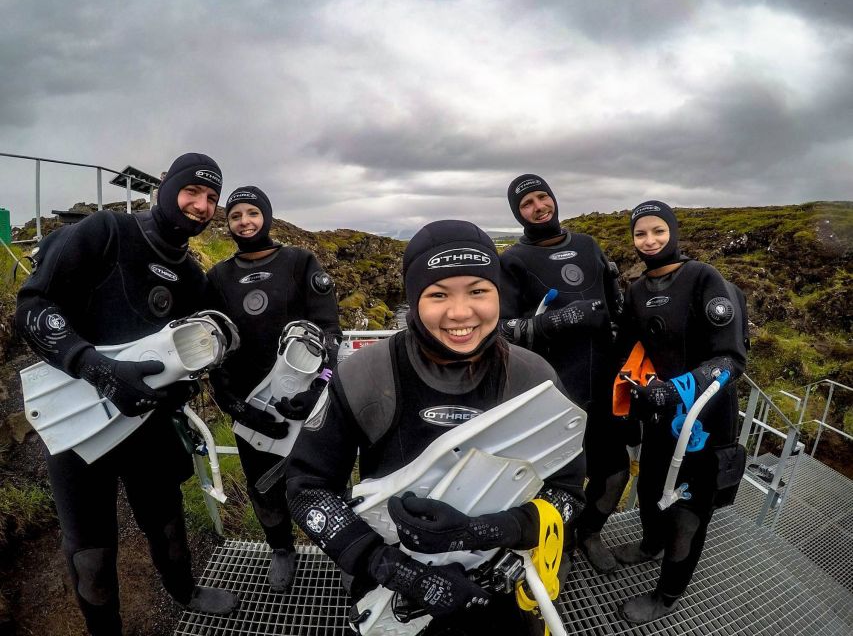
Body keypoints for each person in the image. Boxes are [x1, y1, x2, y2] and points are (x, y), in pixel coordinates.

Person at [285, 220, 585, 635]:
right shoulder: (367, 376)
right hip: (394, 591)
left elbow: (568, 494)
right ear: (413, 300)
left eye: (479, 291)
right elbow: (307, 489)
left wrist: (485, 531)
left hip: (501, 578)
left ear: (498, 294)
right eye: (438, 294)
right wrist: (391, 568)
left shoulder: (532, 377)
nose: (461, 313)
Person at [15, 153, 239, 635]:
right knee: (91, 548)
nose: (201, 206)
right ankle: (104, 629)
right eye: (192, 192)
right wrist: (95, 368)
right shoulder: (105, 232)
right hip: (80, 416)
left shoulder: (192, 277)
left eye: (211, 199)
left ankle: (185, 590)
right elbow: (34, 306)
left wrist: (189, 385)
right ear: (166, 187)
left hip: (148, 423)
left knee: (166, 519)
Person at [615, 200, 747, 623]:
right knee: (653, 487)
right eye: (640, 233)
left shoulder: (703, 278)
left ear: (673, 232)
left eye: (658, 230)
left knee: (689, 512)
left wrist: (678, 389)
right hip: (658, 415)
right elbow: (630, 349)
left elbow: (731, 361)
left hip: (706, 421)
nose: (649, 241)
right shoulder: (636, 291)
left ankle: (667, 595)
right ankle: (649, 545)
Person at [205, 185, 341, 592]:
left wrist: (320, 387)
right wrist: (232, 404)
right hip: (253, 406)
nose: (244, 222)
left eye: (252, 213)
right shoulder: (218, 277)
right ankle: (281, 549)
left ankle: (342, 548)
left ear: (266, 215)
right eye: (235, 215)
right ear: (227, 223)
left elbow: (330, 330)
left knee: (327, 477)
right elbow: (211, 345)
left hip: (308, 398)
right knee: (263, 483)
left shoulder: (300, 262)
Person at [499, 174, 629, 574]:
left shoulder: (588, 246)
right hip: (552, 390)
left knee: (614, 473)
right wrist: (561, 319)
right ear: (517, 213)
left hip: (604, 382)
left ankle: (588, 533)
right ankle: (557, 546)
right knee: (552, 482)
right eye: (527, 204)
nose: (539, 207)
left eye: (543, 197)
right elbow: (501, 329)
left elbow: (618, 308)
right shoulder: (513, 261)